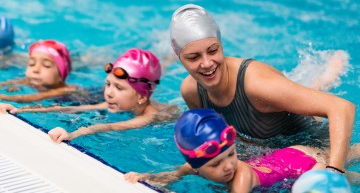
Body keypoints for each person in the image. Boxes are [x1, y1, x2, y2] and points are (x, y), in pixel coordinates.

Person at [168, 4, 355, 172]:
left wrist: (334, 171)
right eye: (194, 57)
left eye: (213, 51)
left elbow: (342, 107)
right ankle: (320, 82)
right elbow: (216, 144)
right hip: (272, 151)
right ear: (180, 58)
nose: (207, 63)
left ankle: (328, 78)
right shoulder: (191, 91)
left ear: (221, 45)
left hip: (312, 142)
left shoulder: (256, 85)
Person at [124, 109, 359, 192]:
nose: (228, 166)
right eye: (215, 164)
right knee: (350, 156)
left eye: (230, 155)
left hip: (305, 168)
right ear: (196, 165)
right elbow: (172, 176)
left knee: (349, 176)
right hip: (289, 155)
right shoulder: (193, 167)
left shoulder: (242, 176)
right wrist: (147, 178)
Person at [0, 48, 178, 142]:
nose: (108, 93)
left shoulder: (149, 116)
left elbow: (110, 127)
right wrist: (20, 110)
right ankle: (169, 59)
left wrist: (72, 134)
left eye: (119, 87)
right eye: (108, 84)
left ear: (141, 97)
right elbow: (71, 108)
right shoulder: (117, 101)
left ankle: (170, 58)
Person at [0, 39, 76, 102]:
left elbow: (29, 98)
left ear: (60, 76)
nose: (35, 70)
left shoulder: (64, 90)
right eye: (31, 64)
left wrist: (3, 96)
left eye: (46, 65)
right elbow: (9, 82)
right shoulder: (31, 81)